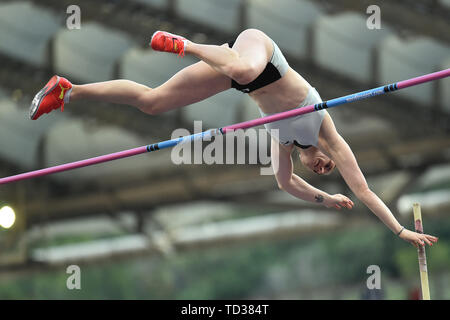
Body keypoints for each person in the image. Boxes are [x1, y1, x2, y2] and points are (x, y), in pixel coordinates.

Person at [29, 29, 437, 248]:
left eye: (321, 171)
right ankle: (184, 44)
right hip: (259, 54)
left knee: (152, 103)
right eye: (327, 166)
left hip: (234, 73)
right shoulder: (327, 131)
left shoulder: (284, 143)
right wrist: (400, 229)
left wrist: (327, 198)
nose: (324, 166)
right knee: (244, 70)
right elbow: (364, 189)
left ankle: (68, 90)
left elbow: (284, 183)